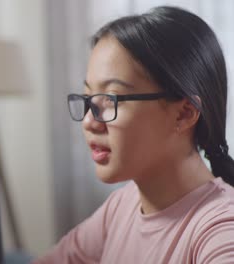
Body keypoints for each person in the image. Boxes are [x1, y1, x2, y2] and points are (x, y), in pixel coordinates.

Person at [33, 6, 234, 264]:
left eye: (110, 99)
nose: (88, 122)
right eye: (88, 99)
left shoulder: (220, 228)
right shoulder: (124, 205)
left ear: (184, 114)